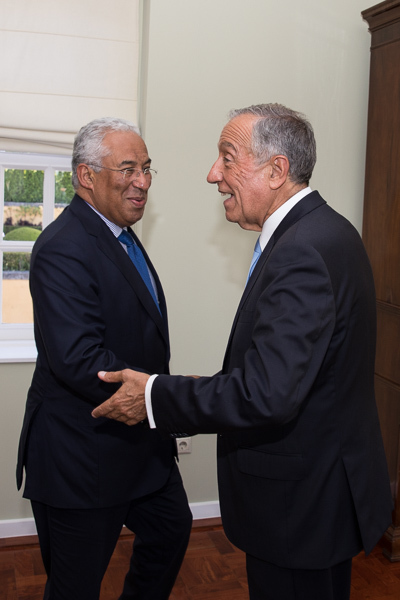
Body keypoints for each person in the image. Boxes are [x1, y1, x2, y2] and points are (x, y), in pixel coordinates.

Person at [91, 104, 393, 600]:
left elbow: (265, 395)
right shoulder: (328, 231)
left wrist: (153, 396)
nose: (214, 174)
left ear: (276, 170)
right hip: (321, 491)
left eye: (227, 158)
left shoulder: (300, 251)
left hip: (299, 508)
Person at [16, 117, 192, 600]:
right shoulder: (62, 247)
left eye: (147, 168)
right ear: (86, 176)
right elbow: (79, 358)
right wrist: (166, 396)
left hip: (141, 446)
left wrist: (157, 403)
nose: (143, 181)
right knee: (74, 587)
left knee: (171, 532)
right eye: (128, 168)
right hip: (83, 456)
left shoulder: (121, 233)